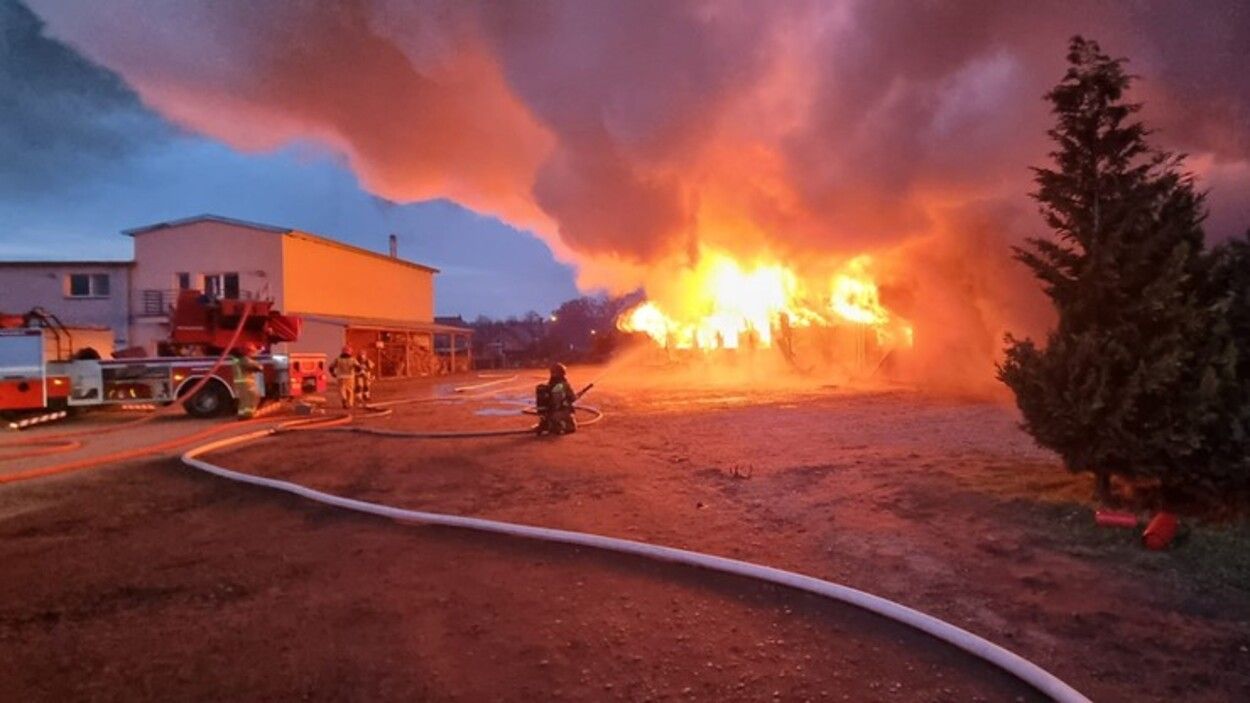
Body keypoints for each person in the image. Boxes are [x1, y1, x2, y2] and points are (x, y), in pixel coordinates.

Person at [537, 362, 580, 435]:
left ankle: (548, 424)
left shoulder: (548, 386)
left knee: (553, 422)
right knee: (572, 428)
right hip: (561, 413)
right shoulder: (564, 385)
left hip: (548, 415)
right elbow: (572, 398)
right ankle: (559, 426)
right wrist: (577, 396)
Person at [230, 351, 264, 418]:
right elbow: (252, 366)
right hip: (246, 381)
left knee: (244, 399)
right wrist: (259, 366)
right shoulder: (243, 359)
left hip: (240, 382)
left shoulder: (235, 359)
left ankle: (241, 414)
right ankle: (248, 414)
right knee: (252, 397)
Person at [331, 345, 357, 409]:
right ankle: (350, 403)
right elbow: (358, 367)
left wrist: (333, 373)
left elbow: (331, 367)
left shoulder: (338, 359)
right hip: (350, 377)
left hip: (340, 377)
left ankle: (344, 400)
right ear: (350, 352)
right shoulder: (353, 359)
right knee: (350, 390)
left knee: (342, 389)